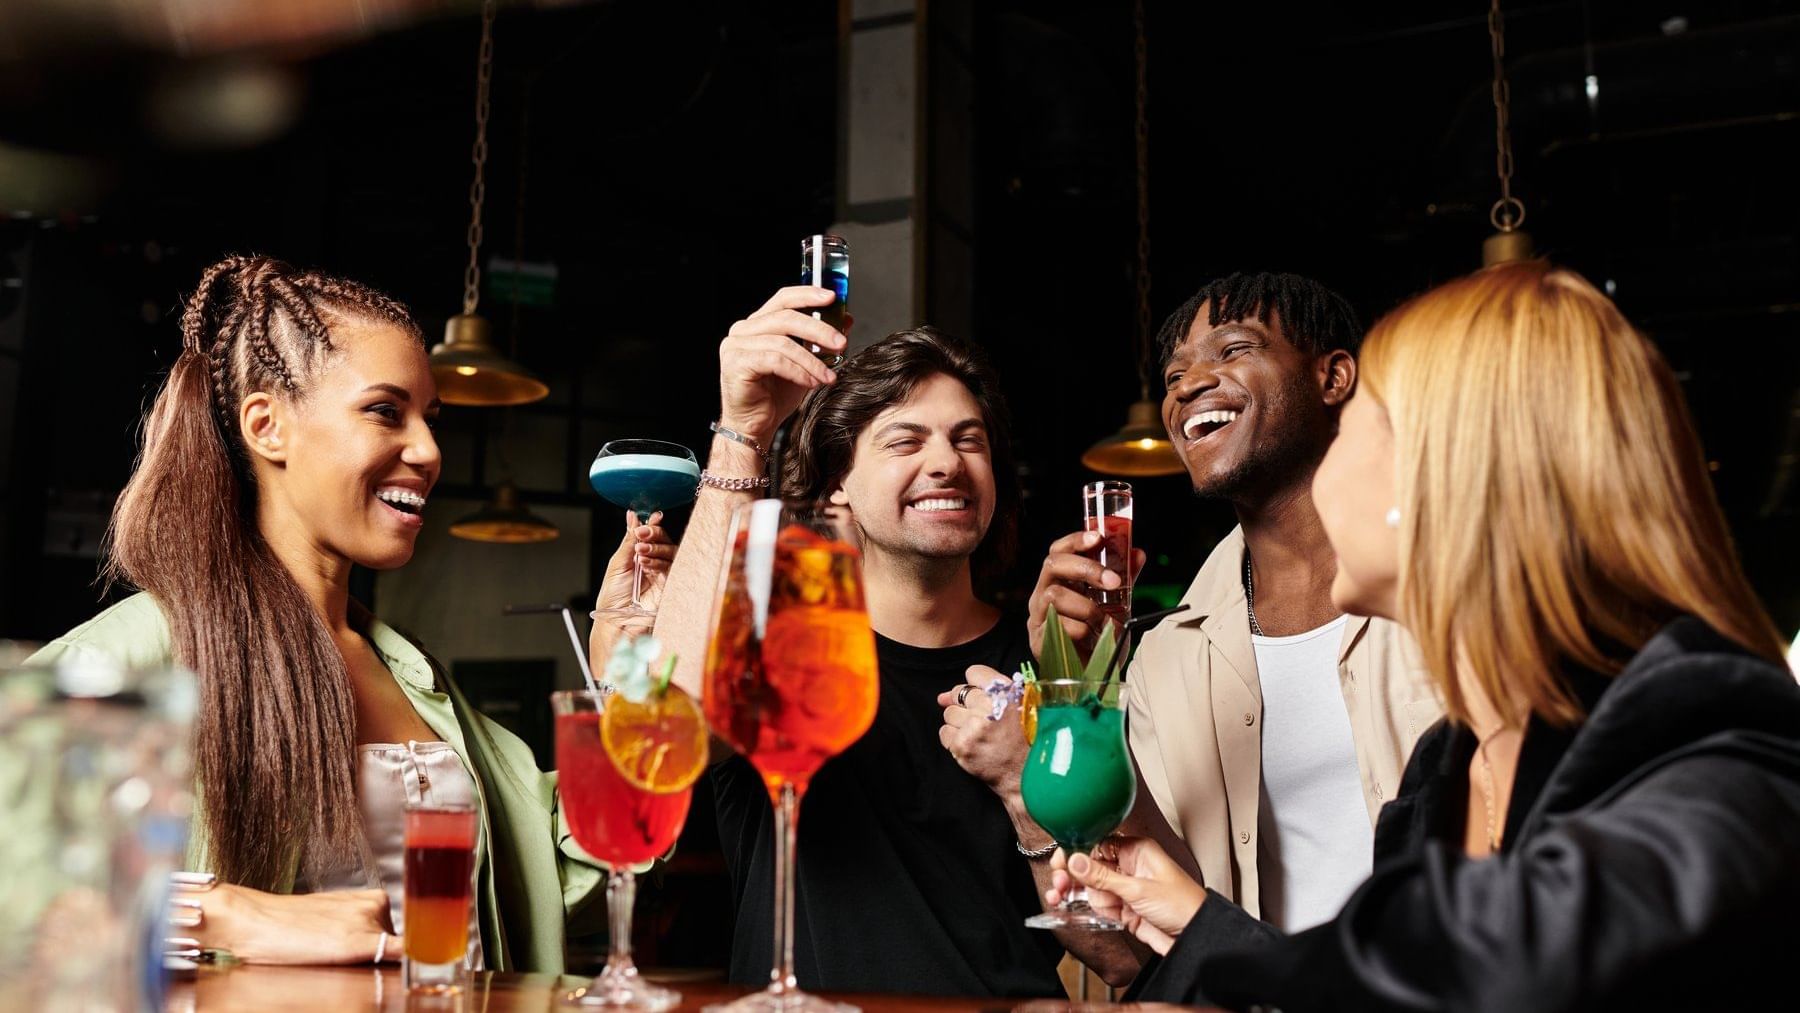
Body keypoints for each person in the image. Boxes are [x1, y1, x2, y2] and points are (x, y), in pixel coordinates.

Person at [1048, 261, 1800, 1011]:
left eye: (1360, 427)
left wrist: (1216, 938)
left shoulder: (1702, 715)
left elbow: (1509, 969)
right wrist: (1196, 921)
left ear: (1453, 471)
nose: (1326, 475)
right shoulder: (1445, 766)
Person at [24, 255, 672, 971]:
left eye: (430, 419)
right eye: (385, 411)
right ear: (268, 426)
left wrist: (624, 666)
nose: (428, 450)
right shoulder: (130, 657)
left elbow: (571, 868)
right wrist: (223, 912)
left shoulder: (413, 675)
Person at [947, 273, 1440, 972]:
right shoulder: (1160, 655)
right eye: (1175, 376)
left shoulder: (1454, 586)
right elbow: (1134, 942)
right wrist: (1075, 685)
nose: (1187, 388)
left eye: (1232, 350)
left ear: (1333, 377)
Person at [651, 287, 1065, 996]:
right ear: (837, 483)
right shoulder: (777, 656)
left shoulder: (1047, 665)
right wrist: (743, 429)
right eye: (906, 440)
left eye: (970, 440)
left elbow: (1115, 949)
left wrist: (1026, 790)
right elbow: (668, 732)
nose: (947, 462)